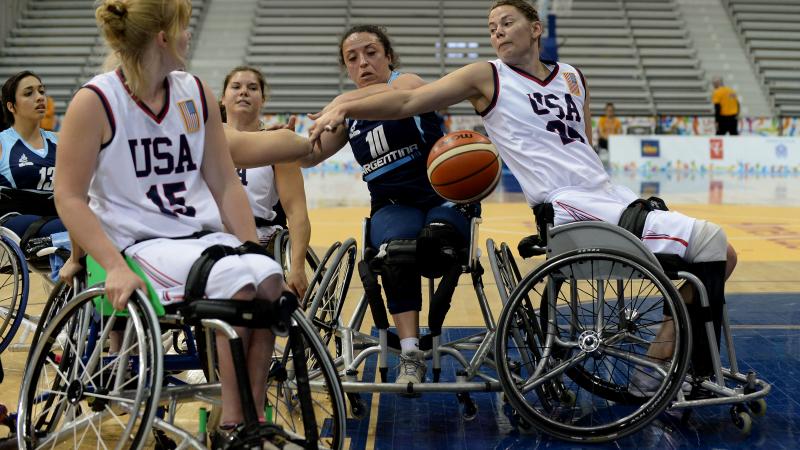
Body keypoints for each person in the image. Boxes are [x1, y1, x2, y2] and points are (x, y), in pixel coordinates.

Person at [309, 0, 737, 383]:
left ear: (535, 28)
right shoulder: (485, 75)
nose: (496, 31)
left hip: (609, 194)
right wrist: (343, 104)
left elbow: (583, 145)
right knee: (711, 240)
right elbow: (405, 103)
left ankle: (664, 351)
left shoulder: (572, 76)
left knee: (723, 254)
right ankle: (689, 368)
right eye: (491, 26)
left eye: (506, 22)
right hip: (567, 204)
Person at [54, 0, 315, 438]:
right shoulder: (95, 101)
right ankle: (233, 421)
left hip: (199, 238)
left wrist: (251, 245)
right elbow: (69, 196)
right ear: (162, 37)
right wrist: (114, 266)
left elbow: (225, 183)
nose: (188, 36)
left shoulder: (193, 92)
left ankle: (254, 418)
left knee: (269, 278)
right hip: (140, 245)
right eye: (184, 28)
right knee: (239, 284)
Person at [304, 24, 472, 386]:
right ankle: (411, 351)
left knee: (435, 241)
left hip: (443, 195)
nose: (363, 63)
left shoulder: (406, 82)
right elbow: (309, 156)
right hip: (394, 205)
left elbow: (393, 99)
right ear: (347, 69)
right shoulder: (347, 115)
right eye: (353, 58)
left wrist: (340, 104)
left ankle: (435, 329)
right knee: (396, 252)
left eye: (371, 53)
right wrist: (283, 139)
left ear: (389, 57)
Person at [221, 65, 311, 298]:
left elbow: (297, 212)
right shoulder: (206, 139)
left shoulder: (277, 146)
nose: (243, 92)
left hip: (260, 238)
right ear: (222, 98)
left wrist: (298, 266)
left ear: (262, 99)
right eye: (236, 87)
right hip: (213, 236)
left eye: (252, 88)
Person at [1, 71, 66, 245]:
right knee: (77, 228)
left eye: (41, 91)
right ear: (11, 106)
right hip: (14, 219)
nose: (39, 97)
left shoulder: (60, 140)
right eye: (29, 93)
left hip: (56, 215)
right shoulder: (3, 142)